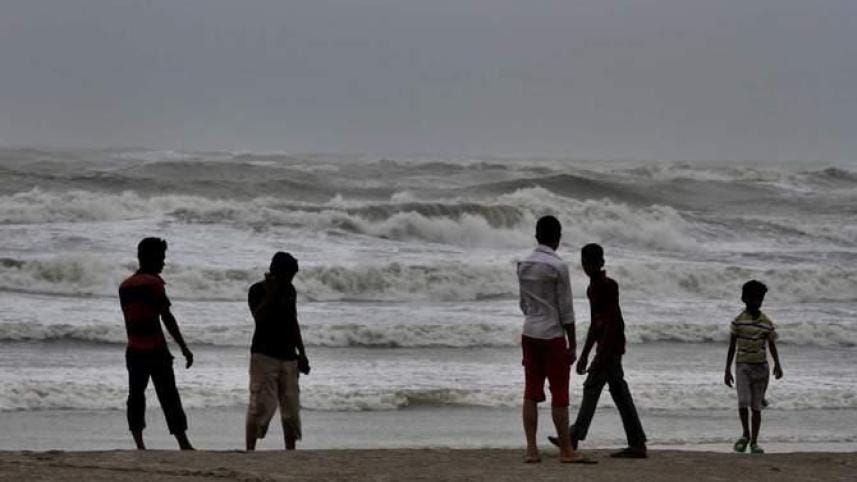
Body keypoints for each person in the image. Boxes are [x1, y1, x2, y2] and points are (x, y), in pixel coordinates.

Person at [550, 243, 647, 458]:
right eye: (587, 263)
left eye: (592, 263)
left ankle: (575, 434)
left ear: (599, 263)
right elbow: (596, 324)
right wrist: (585, 354)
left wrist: (598, 354)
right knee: (619, 393)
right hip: (609, 346)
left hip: (610, 347)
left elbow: (610, 323)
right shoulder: (596, 287)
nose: (589, 267)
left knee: (593, 387)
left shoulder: (605, 287)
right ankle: (637, 442)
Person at [517, 216, 589, 464]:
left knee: (530, 392)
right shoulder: (558, 266)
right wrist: (572, 344)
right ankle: (567, 451)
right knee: (559, 394)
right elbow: (566, 309)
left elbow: (523, 305)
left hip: (529, 332)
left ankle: (531, 449)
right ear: (557, 237)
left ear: (537, 235)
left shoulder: (523, 265)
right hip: (552, 334)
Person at [118, 237, 194, 450]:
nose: (163, 262)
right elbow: (166, 317)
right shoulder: (154, 284)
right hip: (156, 349)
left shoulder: (125, 286)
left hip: (133, 350)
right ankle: (183, 443)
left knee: (135, 396)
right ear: (149, 258)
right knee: (169, 396)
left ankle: (140, 444)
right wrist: (184, 347)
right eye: (160, 258)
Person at [245, 252, 310, 451]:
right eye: (287, 274)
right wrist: (271, 295)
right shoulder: (257, 290)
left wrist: (302, 352)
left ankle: (290, 449)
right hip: (264, 355)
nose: (289, 279)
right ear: (276, 272)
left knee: (291, 408)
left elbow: (293, 321)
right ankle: (250, 449)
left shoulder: (290, 290)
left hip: (289, 355)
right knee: (261, 405)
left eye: (292, 276)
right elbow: (259, 318)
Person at [724, 280, 783, 454]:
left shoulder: (766, 322)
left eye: (760, 299)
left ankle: (755, 442)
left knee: (756, 407)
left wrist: (778, 365)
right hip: (742, 366)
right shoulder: (738, 322)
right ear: (744, 299)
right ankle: (745, 434)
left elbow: (771, 344)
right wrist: (727, 370)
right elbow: (732, 346)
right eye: (754, 298)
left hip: (761, 369)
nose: (757, 302)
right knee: (743, 402)